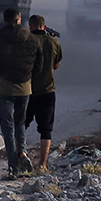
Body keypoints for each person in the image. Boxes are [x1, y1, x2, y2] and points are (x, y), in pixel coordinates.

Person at [0, 7, 41, 178]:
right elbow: (39, 62)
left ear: (4, 20)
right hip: (25, 87)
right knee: (20, 123)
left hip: (5, 86)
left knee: (7, 128)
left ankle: (13, 166)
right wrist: (29, 78)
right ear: (19, 19)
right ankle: (22, 153)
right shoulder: (31, 38)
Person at [24, 15, 62, 174]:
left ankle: (20, 157)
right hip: (47, 91)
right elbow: (56, 65)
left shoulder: (26, 42)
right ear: (44, 27)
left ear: (30, 26)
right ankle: (42, 164)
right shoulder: (54, 42)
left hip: (26, 91)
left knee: (21, 125)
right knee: (46, 129)